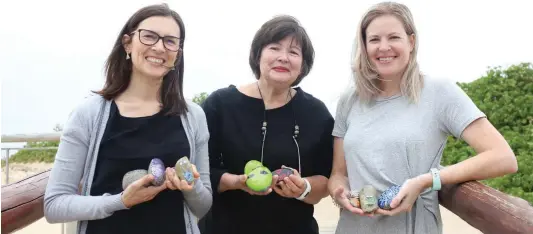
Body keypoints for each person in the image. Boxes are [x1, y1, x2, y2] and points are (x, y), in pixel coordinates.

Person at [328, 2, 518, 234]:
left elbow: (503, 158)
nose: (384, 47)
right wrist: (339, 192)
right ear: (364, 46)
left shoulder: (440, 92)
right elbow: (339, 174)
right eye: (374, 39)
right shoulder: (349, 100)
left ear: (411, 41)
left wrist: (426, 181)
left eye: (394, 37)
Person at [43, 4, 212, 234]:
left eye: (170, 41)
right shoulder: (88, 114)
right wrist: (121, 201)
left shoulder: (193, 116)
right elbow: (54, 205)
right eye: (149, 36)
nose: (160, 47)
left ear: (177, 54)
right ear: (127, 43)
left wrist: (191, 187)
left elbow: (203, 205)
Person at [198, 15, 334, 234]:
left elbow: (327, 178)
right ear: (258, 54)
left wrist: (303, 188)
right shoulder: (219, 105)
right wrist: (234, 181)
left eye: (293, 52)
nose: (283, 58)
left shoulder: (316, 113)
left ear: (303, 65)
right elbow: (200, 169)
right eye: (274, 48)